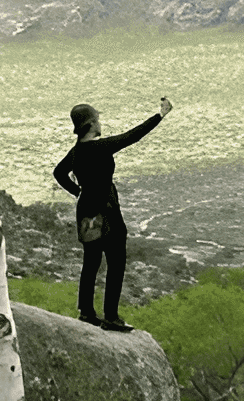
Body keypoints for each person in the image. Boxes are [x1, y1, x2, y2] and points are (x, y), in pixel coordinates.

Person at [53, 96, 171, 332]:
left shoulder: (76, 152)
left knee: (91, 262)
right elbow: (133, 136)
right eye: (97, 119)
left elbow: (59, 173)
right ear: (90, 124)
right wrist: (161, 115)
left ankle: (86, 312)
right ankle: (111, 317)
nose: (100, 123)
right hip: (107, 213)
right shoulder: (100, 147)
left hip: (87, 213)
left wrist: (78, 192)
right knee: (116, 262)